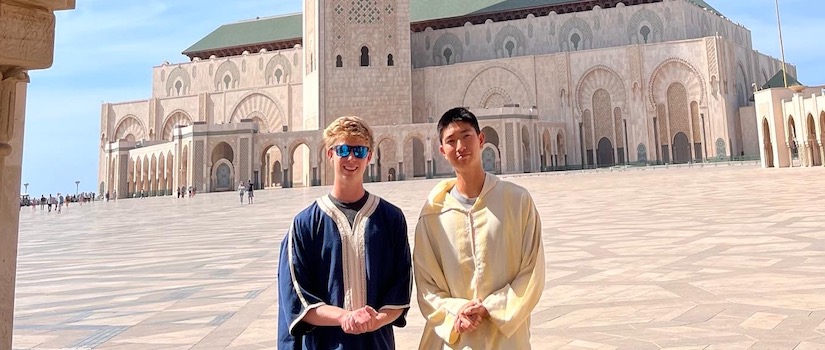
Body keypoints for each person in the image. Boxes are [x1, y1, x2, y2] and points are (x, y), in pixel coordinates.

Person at [413, 107, 545, 349]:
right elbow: (426, 285)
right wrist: (456, 313)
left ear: (481, 139)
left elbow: (532, 272)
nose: (460, 145)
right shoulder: (433, 214)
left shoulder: (517, 201)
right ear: (442, 151)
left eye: (466, 136)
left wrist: (490, 308)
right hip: (455, 340)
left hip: (507, 339)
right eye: (451, 141)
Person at [277, 116, 412, 349]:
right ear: (330, 155)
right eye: (343, 150)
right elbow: (297, 296)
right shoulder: (305, 224)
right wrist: (344, 317)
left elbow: (401, 285)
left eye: (359, 151)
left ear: (369, 156)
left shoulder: (391, 219)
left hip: (377, 343)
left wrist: (375, 320)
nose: (351, 158)